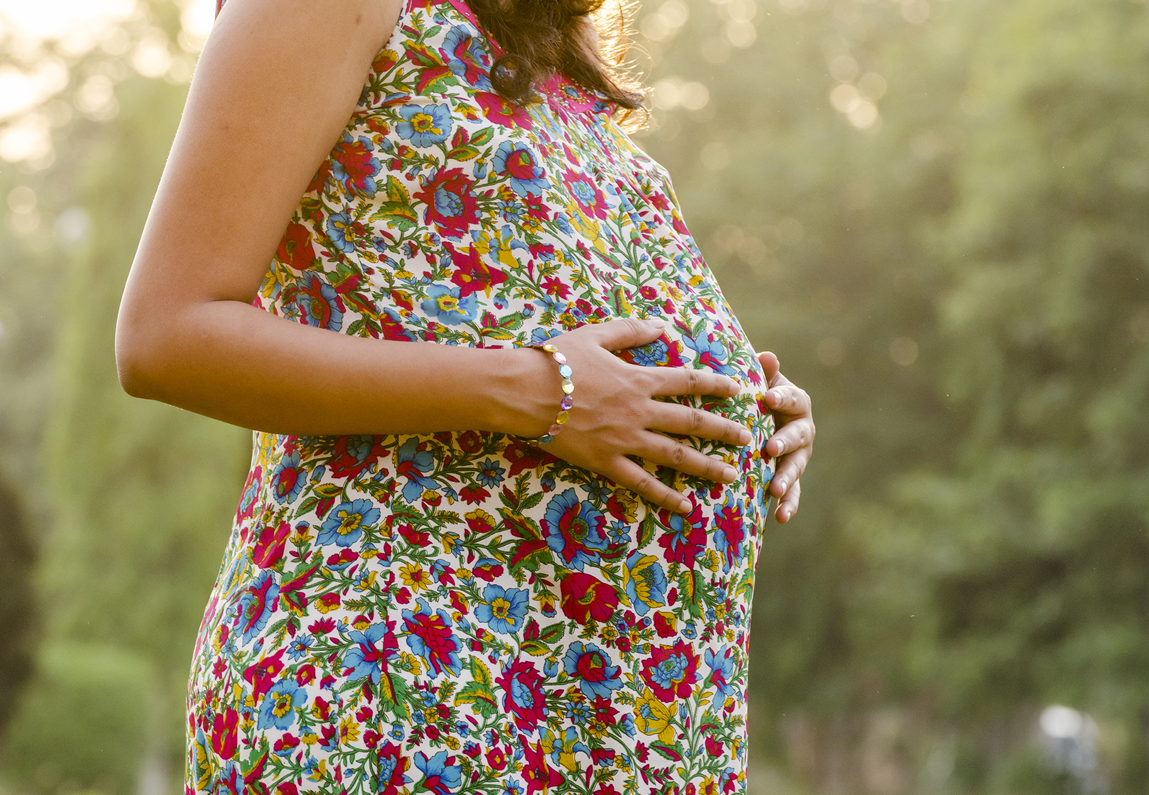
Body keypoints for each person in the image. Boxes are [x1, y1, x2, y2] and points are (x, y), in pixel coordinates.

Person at [115, 0, 814, 790]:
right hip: (404, 692)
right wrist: (538, 388)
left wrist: (747, 408)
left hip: (610, 713)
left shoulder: (547, 50)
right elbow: (166, 333)